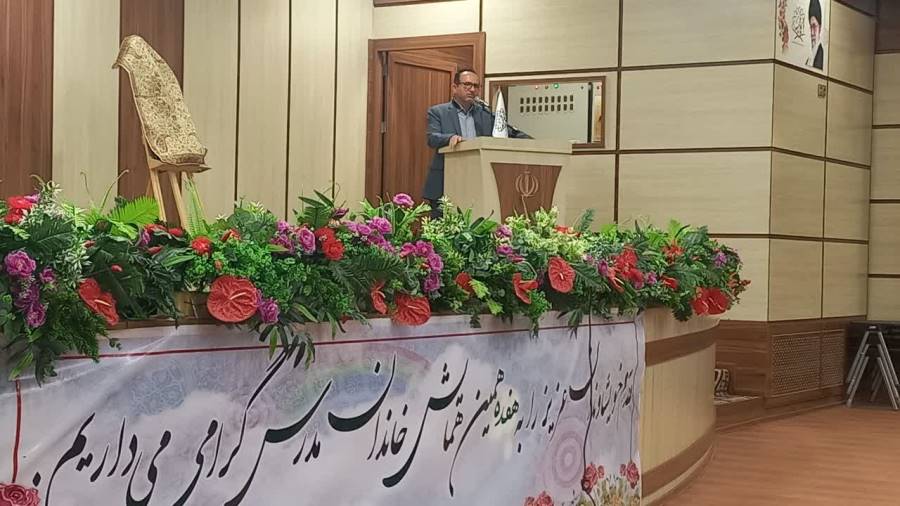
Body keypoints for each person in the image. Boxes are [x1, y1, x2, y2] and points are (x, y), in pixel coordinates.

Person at [422, 68, 529, 218]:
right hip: (445, 181)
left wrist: (532, 143)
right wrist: (449, 138)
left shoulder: (485, 114)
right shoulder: (438, 112)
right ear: (455, 87)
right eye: (467, 85)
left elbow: (508, 131)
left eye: (476, 86)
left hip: (478, 182)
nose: (472, 89)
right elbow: (432, 138)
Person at [807, 0, 825, 70]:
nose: (812, 33)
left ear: (820, 28)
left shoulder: (820, 54)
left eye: (814, 27)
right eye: (811, 27)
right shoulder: (809, 57)